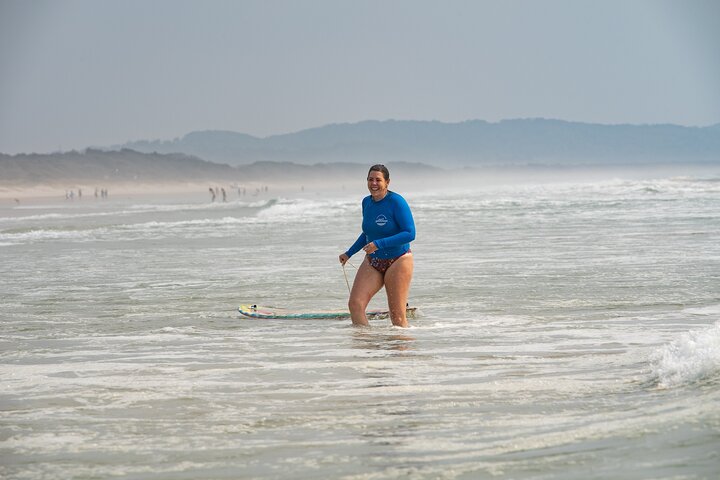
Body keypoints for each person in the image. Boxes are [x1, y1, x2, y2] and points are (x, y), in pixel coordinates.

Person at [339, 164, 416, 327]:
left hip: (398, 260)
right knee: (355, 305)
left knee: (397, 317)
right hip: (373, 261)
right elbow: (368, 233)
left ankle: (402, 344)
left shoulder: (396, 202)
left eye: (378, 180)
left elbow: (410, 233)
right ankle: (366, 342)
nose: (374, 183)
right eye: (370, 179)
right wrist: (349, 253)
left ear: (387, 182)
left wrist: (379, 244)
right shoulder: (366, 202)